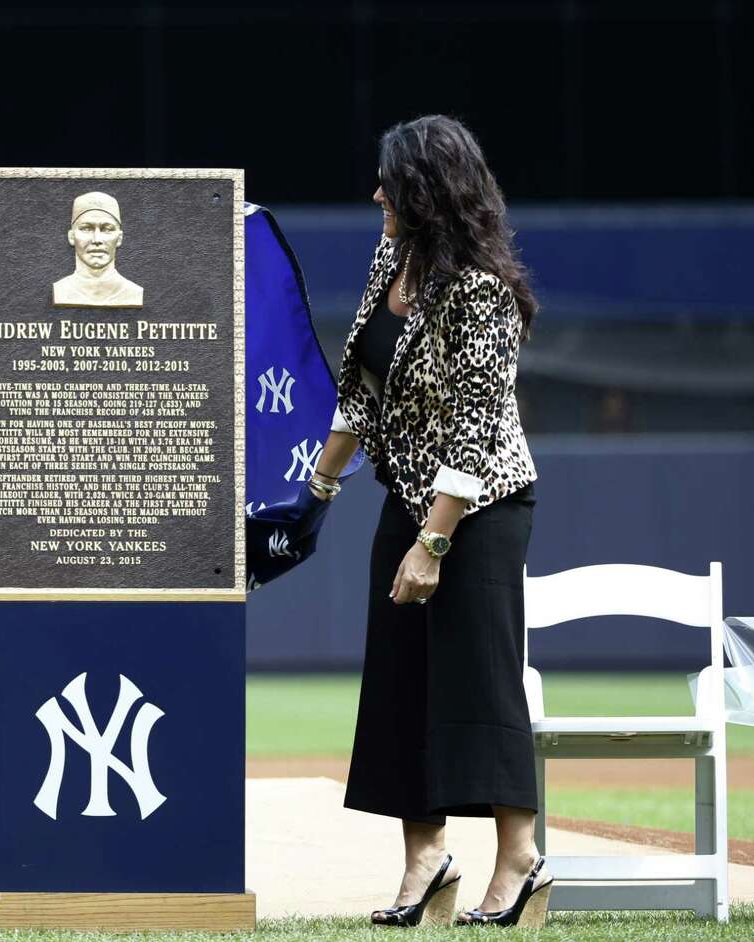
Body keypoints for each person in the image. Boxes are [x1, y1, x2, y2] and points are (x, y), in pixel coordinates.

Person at [307, 115, 551, 928]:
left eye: (389, 182)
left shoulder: (482, 290)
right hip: (408, 493)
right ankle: (426, 859)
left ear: (427, 191)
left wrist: (434, 542)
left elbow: (477, 425)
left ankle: (519, 859)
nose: (376, 192)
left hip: (479, 506)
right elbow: (360, 386)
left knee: (480, 678)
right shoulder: (395, 257)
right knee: (400, 680)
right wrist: (317, 486)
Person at [52, 192, 144, 308]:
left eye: (107, 229)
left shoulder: (133, 292)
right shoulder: (61, 290)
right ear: (71, 237)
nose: (97, 239)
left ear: (119, 238)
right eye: (86, 229)